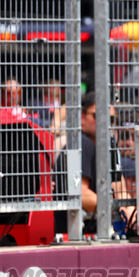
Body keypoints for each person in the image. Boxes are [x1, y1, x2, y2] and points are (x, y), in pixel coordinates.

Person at [53, 92, 98, 236]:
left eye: (110, 118)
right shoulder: (83, 144)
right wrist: (116, 209)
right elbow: (80, 193)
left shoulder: (96, 146)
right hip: (73, 234)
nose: (105, 122)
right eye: (97, 116)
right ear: (83, 118)